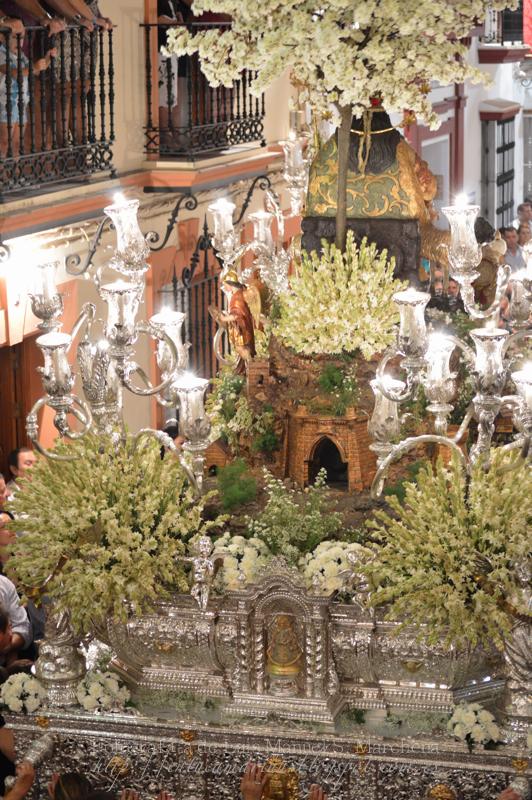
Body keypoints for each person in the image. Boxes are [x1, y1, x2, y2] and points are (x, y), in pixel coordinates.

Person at [0, 23, 54, 156]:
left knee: (17, 143)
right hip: (6, 104)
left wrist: (48, 57)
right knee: (4, 142)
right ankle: (2, 173)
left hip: (21, 104)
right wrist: (34, 67)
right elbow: (14, 73)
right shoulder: (1, 54)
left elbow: (35, 71)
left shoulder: (21, 55)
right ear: (2, 38)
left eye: (22, 37)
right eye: (14, 37)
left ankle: (15, 173)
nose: (19, 41)